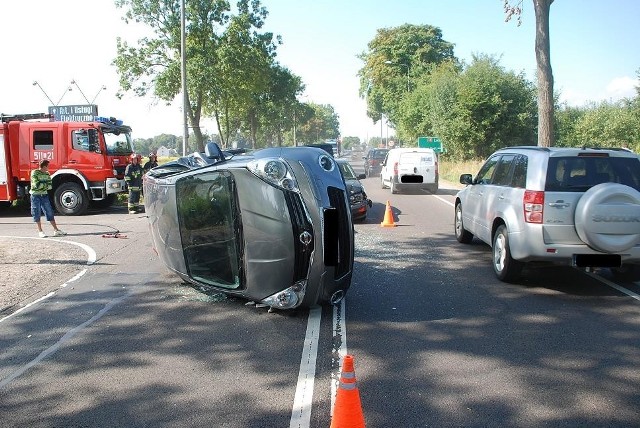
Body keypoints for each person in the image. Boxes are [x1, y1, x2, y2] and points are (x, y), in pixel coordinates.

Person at [30, 159, 66, 238]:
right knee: (36, 212)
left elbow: (50, 186)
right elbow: (36, 185)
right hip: (35, 196)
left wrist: (42, 184)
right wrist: (44, 185)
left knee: (49, 212)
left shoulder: (47, 174)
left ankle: (56, 230)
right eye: (48, 166)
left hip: (44, 195)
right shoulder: (34, 173)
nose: (48, 168)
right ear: (44, 166)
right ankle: (40, 231)